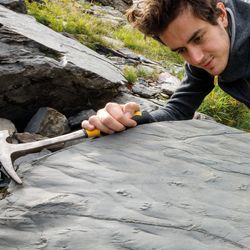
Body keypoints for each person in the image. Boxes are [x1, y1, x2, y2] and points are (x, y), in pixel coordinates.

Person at [82, 0, 250, 134]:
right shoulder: (205, 54)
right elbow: (177, 110)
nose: (196, 58)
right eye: (181, 50)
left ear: (221, 16)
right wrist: (127, 119)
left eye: (198, 38)